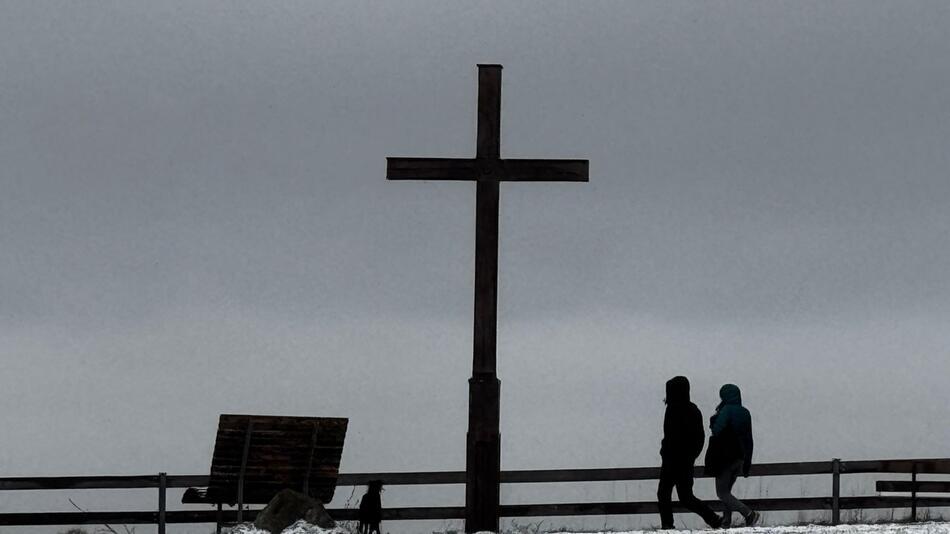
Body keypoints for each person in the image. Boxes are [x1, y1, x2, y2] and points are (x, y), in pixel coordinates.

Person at [657, 376, 722, 529]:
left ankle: (668, 526)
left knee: (665, 494)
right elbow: (700, 437)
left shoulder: (672, 409)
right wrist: (691, 455)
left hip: (673, 460)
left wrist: (666, 451)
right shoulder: (692, 409)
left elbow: (670, 436)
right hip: (684, 461)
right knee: (685, 497)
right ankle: (713, 519)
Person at [707, 383, 760, 528]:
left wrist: (713, 421)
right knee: (727, 492)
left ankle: (749, 514)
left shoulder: (726, 411)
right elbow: (749, 439)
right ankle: (726, 522)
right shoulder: (745, 412)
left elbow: (717, 431)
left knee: (722, 493)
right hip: (740, 457)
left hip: (725, 458)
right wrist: (747, 461)